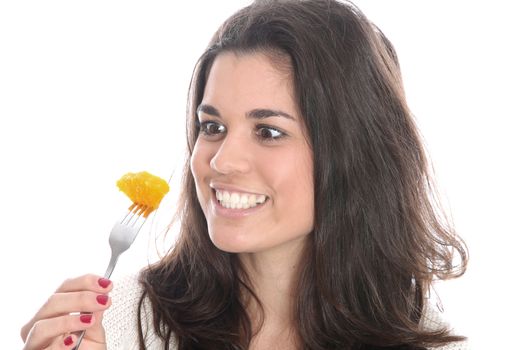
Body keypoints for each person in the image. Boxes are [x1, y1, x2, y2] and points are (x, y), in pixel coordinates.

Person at [20, 0, 469, 349]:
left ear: (354, 151)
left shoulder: (425, 338)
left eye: (269, 132)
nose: (221, 161)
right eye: (212, 127)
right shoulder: (116, 326)